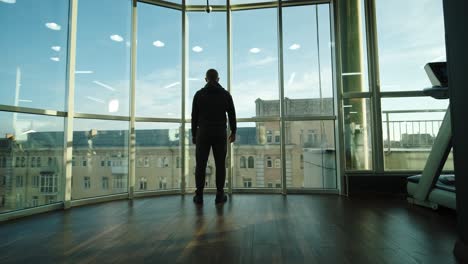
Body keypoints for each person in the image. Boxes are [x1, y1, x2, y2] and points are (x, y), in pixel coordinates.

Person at [191, 69, 236, 205]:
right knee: (220, 164)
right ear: (218, 79)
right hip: (219, 133)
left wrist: (194, 134)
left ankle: (199, 195)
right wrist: (233, 131)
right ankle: (219, 194)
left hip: (203, 133)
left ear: (206, 79)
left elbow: (194, 117)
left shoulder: (199, 95)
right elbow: (232, 114)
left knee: (201, 164)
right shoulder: (225, 94)